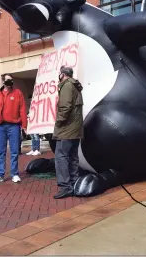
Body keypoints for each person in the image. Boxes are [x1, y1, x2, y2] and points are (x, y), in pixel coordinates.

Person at [0, 74, 27, 184]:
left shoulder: (17, 93)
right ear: (3, 81)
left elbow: (22, 109)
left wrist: (24, 125)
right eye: (8, 80)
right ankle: (0, 174)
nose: (10, 82)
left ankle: (14, 174)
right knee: (0, 151)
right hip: (0, 126)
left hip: (14, 126)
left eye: (11, 80)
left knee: (14, 151)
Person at [53, 66, 83, 199]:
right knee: (72, 157)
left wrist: (58, 122)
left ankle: (65, 187)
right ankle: (74, 183)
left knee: (61, 157)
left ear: (62, 74)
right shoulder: (75, 86)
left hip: (66, 129)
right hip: (75, 129)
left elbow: (65, 107)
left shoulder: (66, 86)